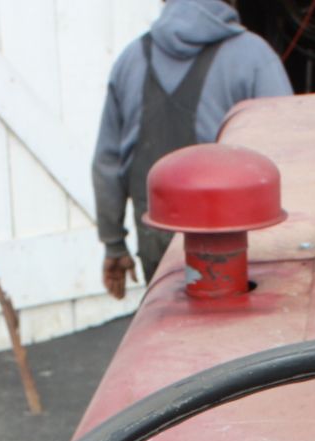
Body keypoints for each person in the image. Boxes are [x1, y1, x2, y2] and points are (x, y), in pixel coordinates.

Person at [92, 0, 292, 299]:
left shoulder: (131, 59)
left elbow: (107, 164)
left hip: (155, 239)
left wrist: (114, 245)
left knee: (171, 334)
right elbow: (291, 153)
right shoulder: (254, 56)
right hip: (242, 248)